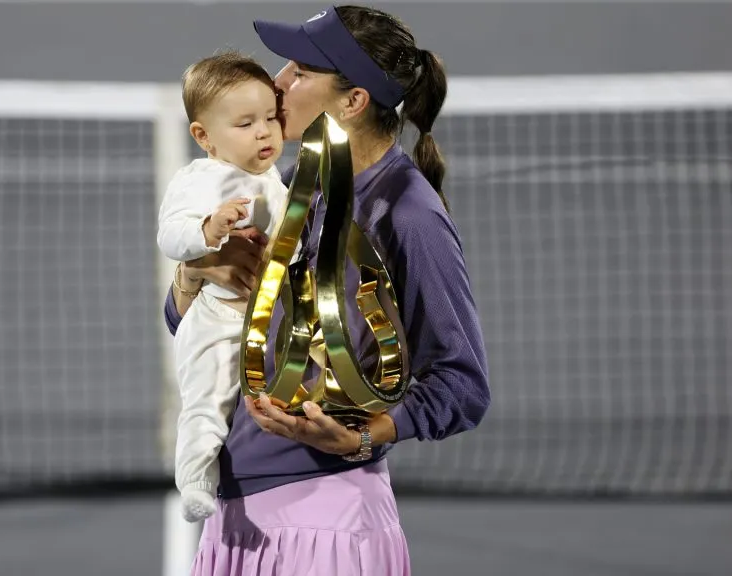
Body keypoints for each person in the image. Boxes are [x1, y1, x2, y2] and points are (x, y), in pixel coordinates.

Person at [163, 6, 491, 574]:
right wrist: (193, 277)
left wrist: (361, 439)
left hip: (324, 518)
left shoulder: (409, 214)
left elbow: (462, 385)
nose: (276, 83)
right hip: (237, 508)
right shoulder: (293, 186)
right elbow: (206, 326)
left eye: (298, 71)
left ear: (352, 101)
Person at [157, 52, 290, 523]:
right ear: (203, 137)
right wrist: (208, 232)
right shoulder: (199, 179)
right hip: (216, 316)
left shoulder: (275, 179)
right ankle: (195, 480)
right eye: (245, 123)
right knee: (207, 397)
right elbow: (170, 234)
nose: (263, 132)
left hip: (270, 321)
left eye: (271, 118)